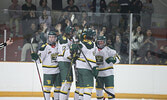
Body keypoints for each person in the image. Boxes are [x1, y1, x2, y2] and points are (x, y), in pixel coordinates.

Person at [31, 31, 61, 100]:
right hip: (48, 72)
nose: (51, 39)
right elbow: (39, 61)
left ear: (55, 38)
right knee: (47, 88)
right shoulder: (44, 47)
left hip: (57, 71)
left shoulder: (58, 46)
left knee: (58, 87)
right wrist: (35, 57)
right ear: (48, 38)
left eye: (53, 37)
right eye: (50, 37)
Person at [70, 28, 97, 100]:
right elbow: (91, 57)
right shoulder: (91, 44)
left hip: (79, 68)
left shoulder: (81, 43)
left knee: (81, 88)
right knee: (88, 89)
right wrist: (95, 67)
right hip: (86, 68)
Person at [95, 36, 120, 100]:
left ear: (105, 42)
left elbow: (118, 58)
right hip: (98, 74)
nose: (100, 43)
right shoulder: (94, 50)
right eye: (99, 42)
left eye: (102, 42)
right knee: (98, 92)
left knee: (110, 90)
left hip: (108, 74)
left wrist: (113, 59)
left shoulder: (109, 49)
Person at [57, 26, 73, 100]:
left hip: (67, 62)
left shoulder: (69, 40)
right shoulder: (63, 39)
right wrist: (72, 52)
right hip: (63, 62)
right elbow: (65, 54)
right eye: (70, 32)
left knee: (69, 83)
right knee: (65, 83)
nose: (72, 33)